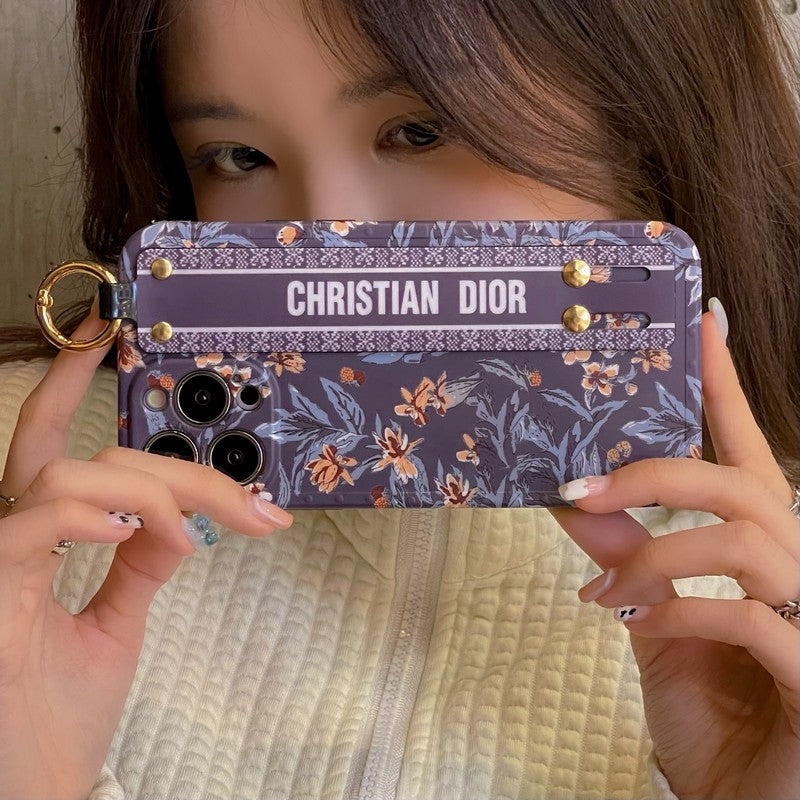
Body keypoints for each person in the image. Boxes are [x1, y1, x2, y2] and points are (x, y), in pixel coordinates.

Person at [0, 0, 798, 797]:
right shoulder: (39, 507)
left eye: (419, 131)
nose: (326, 234)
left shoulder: (766, 591)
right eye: (238, 156)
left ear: (646, 117)